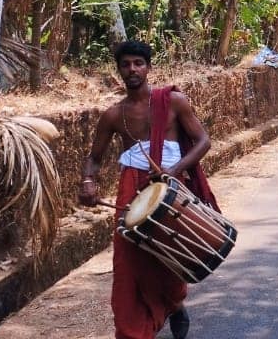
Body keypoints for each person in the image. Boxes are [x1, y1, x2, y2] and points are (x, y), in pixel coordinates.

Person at [79, 40, 217, 339]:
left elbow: (203, 141)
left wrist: (175, 171)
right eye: (125, 64)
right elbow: (94, 157)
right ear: (118, 70)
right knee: (129, 261)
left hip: (172, 187)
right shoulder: (113, 115)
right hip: (132, 189)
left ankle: (174, 303)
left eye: (138, 63)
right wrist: (88, 181)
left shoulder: (174, 101)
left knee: (170, 254)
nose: (132, 69)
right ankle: (132, 332)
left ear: (148, 67)